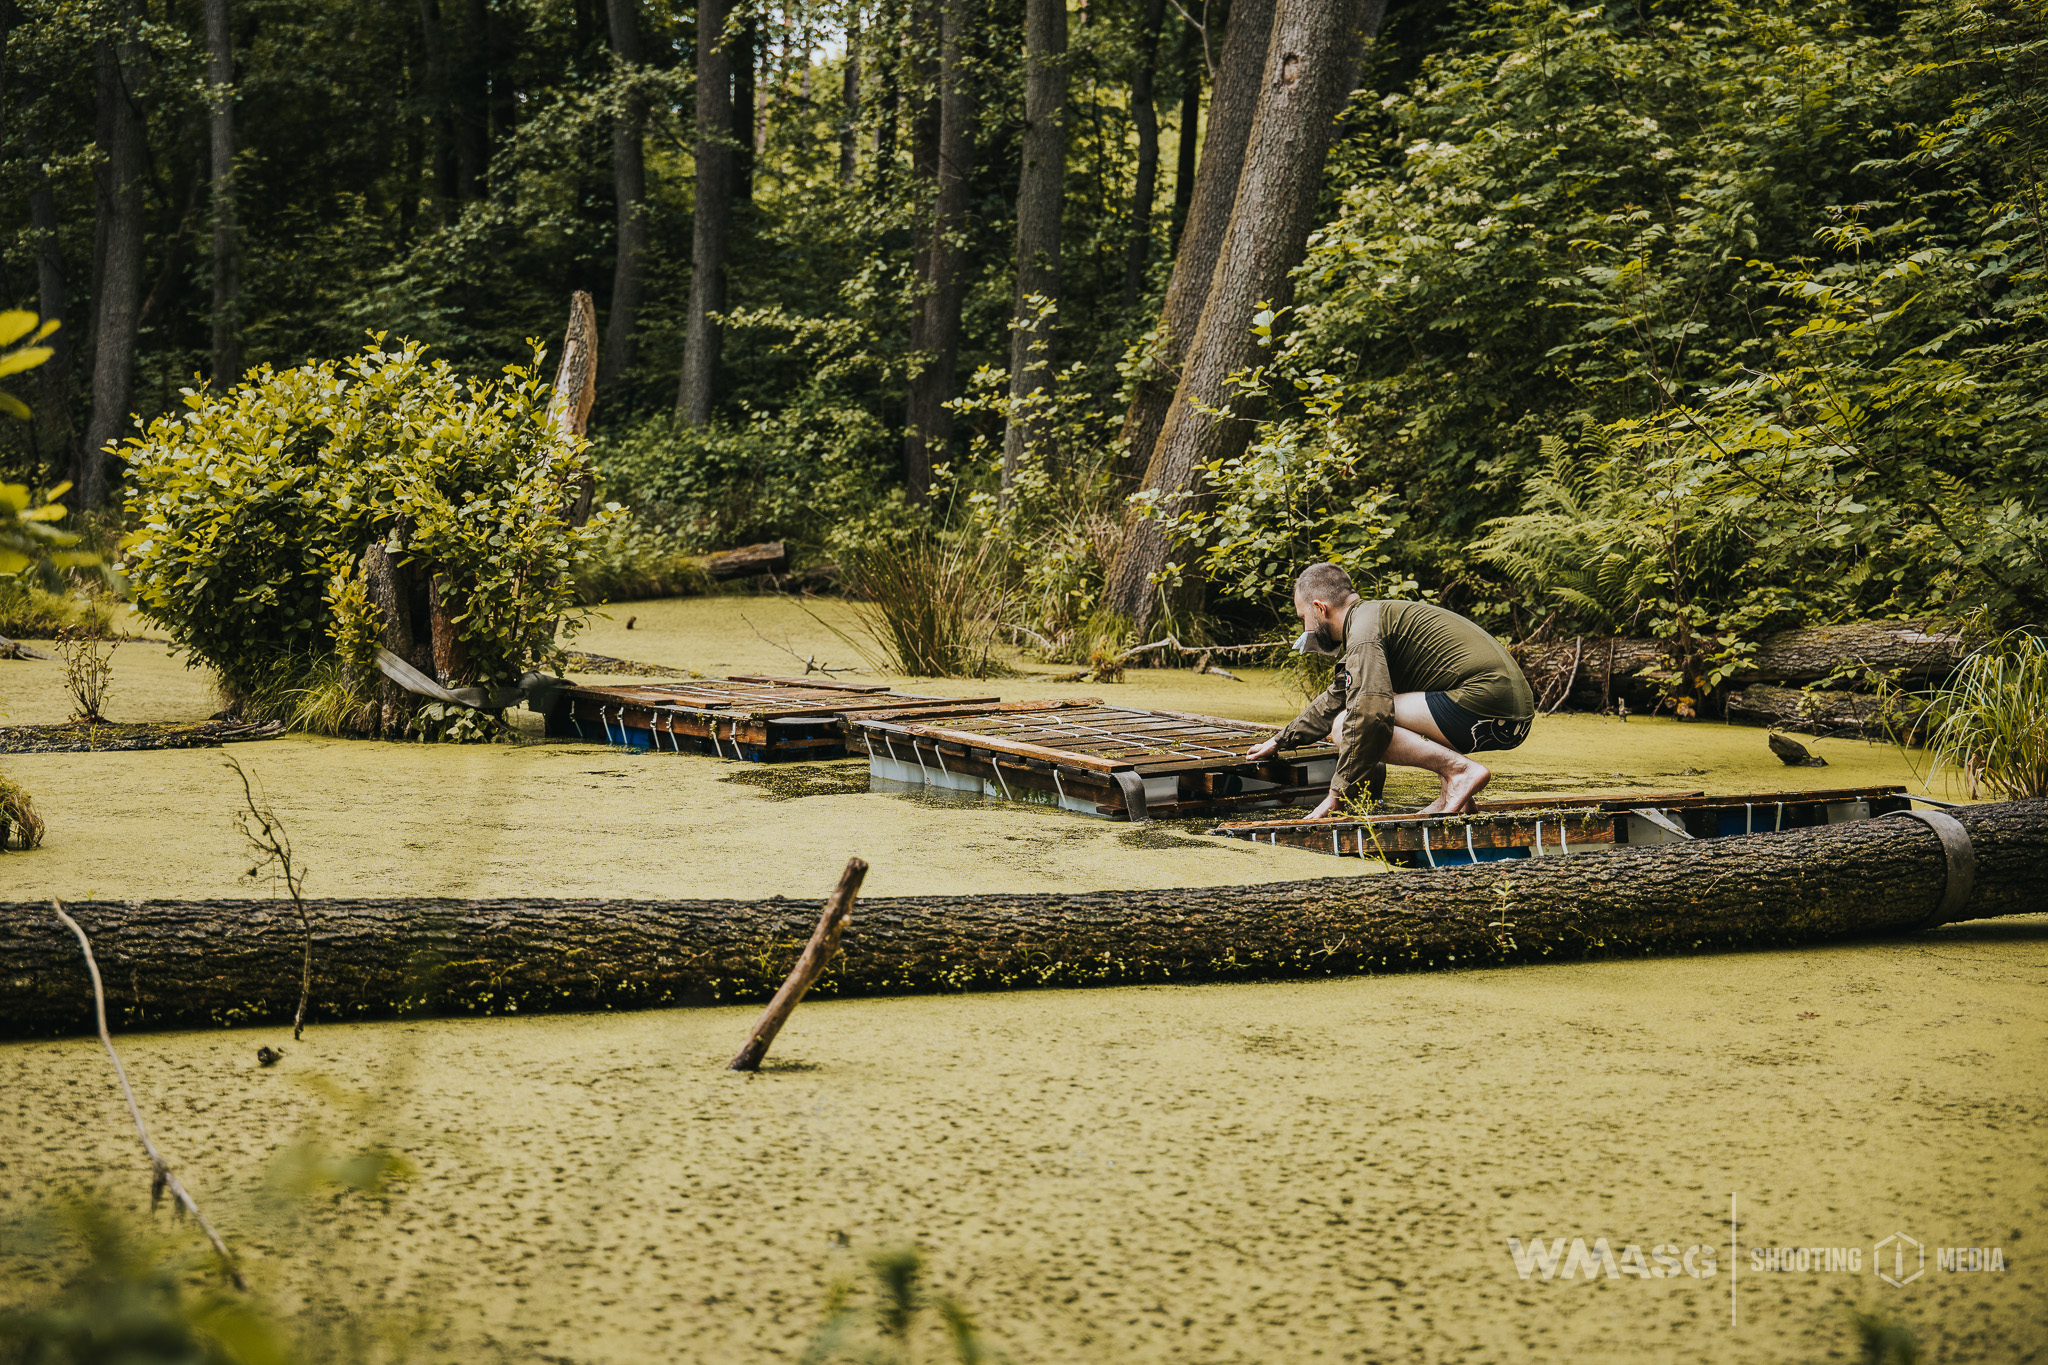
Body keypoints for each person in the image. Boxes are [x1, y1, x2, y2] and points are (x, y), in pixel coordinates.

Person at [1245, 563, 1535, 817]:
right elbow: (1338, 694)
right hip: (1510, 720)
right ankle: (1455, 793)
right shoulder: (1370, 620)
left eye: (1302, 618)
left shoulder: (1363, 633)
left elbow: (1370, 714)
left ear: (1320, 608)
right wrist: (1281, 740)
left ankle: (1460, 771)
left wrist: (1338, 794)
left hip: (1483, 705)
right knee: (1361, 707)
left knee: (1346, 723)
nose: (1304, 628)